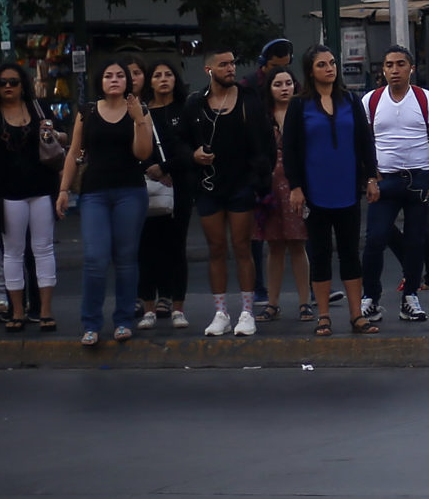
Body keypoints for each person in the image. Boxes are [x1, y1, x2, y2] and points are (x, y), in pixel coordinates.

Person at [56, 60, 154, 346]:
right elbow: (74, 152)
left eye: (120, 75)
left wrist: (139, 119)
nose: (114, 80)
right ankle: (91, 323)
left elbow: (142, 153)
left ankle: (123, 320)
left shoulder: (139, 110)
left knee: (125, 259)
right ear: (100, 81)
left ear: (128, 81)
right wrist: (63, 190)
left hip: (130, 192)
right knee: (95, 258)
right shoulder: (87, 111)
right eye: (108, 75)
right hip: (94, 192)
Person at [284, 46, 379, 335]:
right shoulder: (300, 106)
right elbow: (290, 149)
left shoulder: (351, 100)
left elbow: (365, 142)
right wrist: (296, 187)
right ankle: (323, 315)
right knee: (321, 252)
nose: (329, 68)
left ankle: (356, 315)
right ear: (310, 71)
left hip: (347, 189)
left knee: (350, 252)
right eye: (322, 64)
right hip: (315, 190)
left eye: (332, 63)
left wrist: (371, 178)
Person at [182, 46, 271, 337]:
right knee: (216, 248)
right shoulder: (195, 103)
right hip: (208, 186)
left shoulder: (247, 99)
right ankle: (221, 312)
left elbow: (265, 141)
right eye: (223, 65)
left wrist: (259, 178)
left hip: (241, 184)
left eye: (232, 63)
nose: (231, 69)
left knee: (243, 246)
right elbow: (179, 143)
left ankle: (247, 311)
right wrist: (193, 156)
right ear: (209, 70)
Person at [0, 63, 59, 332]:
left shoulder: (37, 107)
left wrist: (51, 132)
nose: (8, 86)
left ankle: (44, 310)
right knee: (13, 252)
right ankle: (17, 311)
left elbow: (61, 139)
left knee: (44, 249)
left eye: (14, 82)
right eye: (3, 82)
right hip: (7, 191)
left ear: (23, 84)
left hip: (41, 187)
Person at [361, 45, 429, 325]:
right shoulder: (371, 101)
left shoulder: (425, 99)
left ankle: (410, 297)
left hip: (418, 178)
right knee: (375, 239)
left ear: (411, 68)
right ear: (382, 70)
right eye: (389, 65)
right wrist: (370, 177)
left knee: (415, 241)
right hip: (385, 179)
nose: (394, 70)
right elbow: (364, 143)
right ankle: (370, 298)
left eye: (400, 64)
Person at [134, 61, 194, 329]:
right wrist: (151, 170)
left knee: (176, 246)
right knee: (147, 247)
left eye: (168, 74)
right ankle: (148, 306)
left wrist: (168, 168)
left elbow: (191, 149)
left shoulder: (186, 109)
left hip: (179, 186)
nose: (163, 79)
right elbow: (134, 149)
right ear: (150, 82)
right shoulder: (142, 112)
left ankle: (176, 306)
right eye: (157, 75)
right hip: (148, 185)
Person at [254, 65, 314, 321]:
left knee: (298, 244)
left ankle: (305, 302)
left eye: (288, 83)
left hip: (296, 183)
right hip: (268, 186)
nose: (284, 88)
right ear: (269, 88)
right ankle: (272, 304)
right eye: (278, 84)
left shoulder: (303, 112)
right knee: (274, 246)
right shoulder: (262, 116)